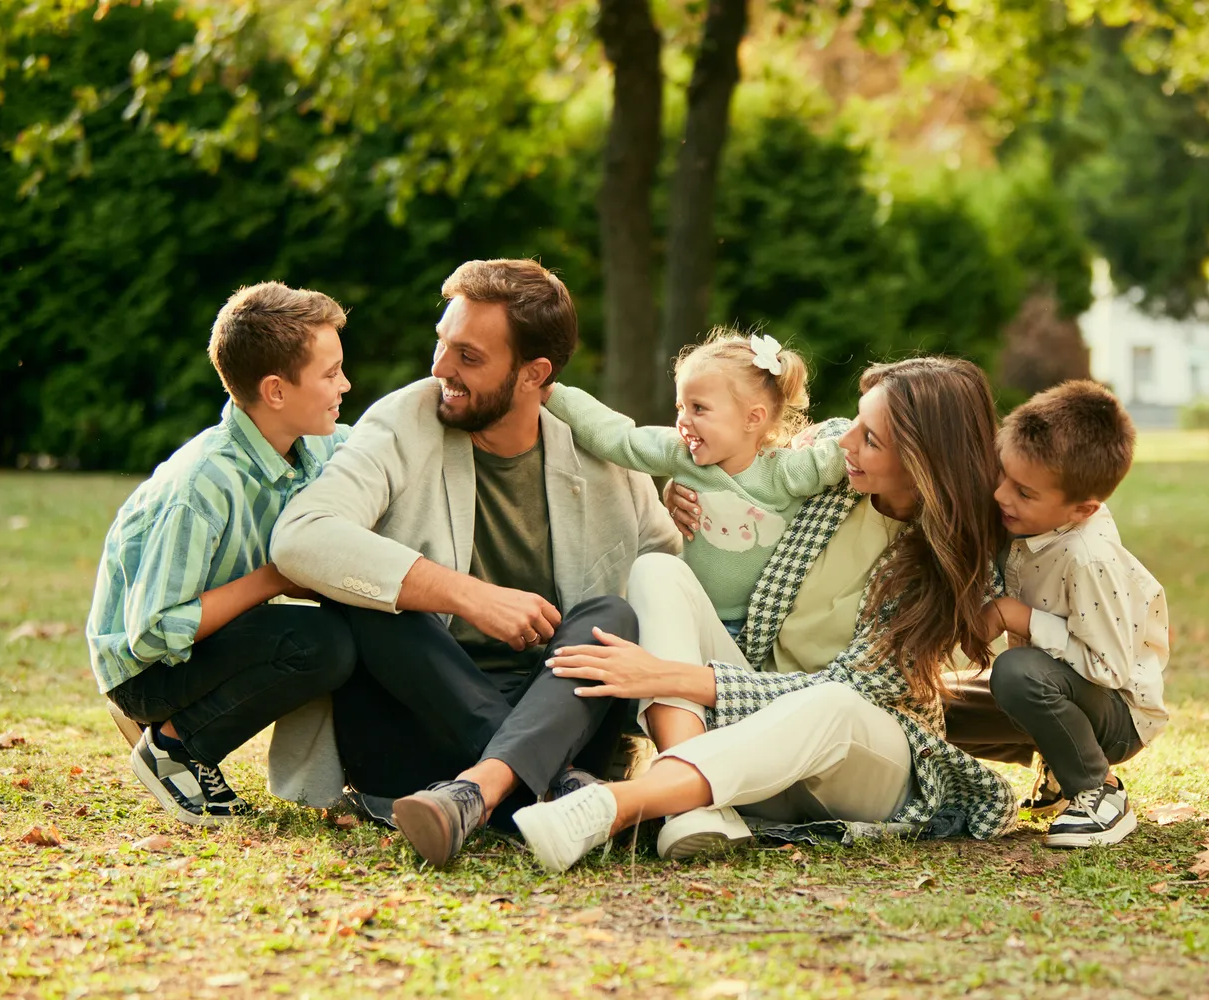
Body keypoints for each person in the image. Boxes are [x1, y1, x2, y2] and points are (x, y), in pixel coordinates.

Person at [507, 357, 1021, 873]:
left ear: (921, 461)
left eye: (871, 439)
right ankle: (690, 806)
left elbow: (854, 689)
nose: (846, 441)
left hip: (864, 763)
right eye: (858, 422)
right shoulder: (834, 474)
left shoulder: (950, 564)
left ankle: (620, 806)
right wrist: (694, 491)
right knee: (658, 572)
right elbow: (746, 470)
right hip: (755, 733)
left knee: (833, 704)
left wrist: (665, 675)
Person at [269, 258, 681, 867]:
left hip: (553, 713)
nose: (441, 370)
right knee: (373, 595)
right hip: (414, 725)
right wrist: (464, 594)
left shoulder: (597, 453)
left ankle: (478, 793)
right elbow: (300, 537)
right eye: (442, 345)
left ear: (533, 374)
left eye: (468, 357)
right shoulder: (404, 420)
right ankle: (551, 787)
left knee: (613, 614)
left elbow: (665, 576)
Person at [86, 282, 357, 828]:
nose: (345, 385)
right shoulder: (202, 485)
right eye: (330, 374)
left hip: (205, 642)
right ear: (276, 392)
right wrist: (275, 579)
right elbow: (153, 631)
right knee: (318, 644)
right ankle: (174, 743)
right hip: (145, 668)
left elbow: (384, 445)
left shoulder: (316, 444)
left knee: (345, 632)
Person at [540, 327, 845, 753]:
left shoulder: (783, 473)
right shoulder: (680, 456)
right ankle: (673, 755)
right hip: (689, 628)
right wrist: (552, 393)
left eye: (699, 408)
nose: (683, 419)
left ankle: (694, 765)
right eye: (681, 405)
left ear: (753, 419)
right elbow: (618, 436)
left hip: (753, 645)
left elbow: (838, 456)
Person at [982, 380, 1169, 848]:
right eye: (1003, 476)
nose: (1002, 496)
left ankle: (1096, 789)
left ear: (1083, 509)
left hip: (1119, 716)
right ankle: (1059, 768)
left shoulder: (1088, 557)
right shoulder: (1035, 522)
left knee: (1017, 672)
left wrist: (1017, 617)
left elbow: (1109, 669)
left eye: (1024, 492)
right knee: (943, 703)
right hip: (1064, 689)